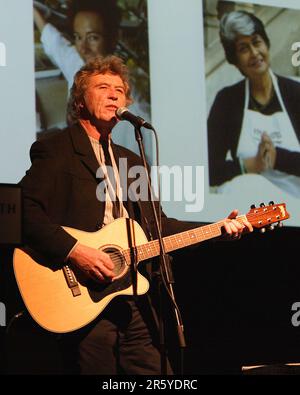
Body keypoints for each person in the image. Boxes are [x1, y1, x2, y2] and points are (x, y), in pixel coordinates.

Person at [20, 55, 252, 375]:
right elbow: (24, 212)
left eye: (120, 90)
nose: (114, 95)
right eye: (103, 87)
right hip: (82, 298)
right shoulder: (56, 149)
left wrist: (217, 228)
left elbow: (159, 226)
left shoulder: (132, 161)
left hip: (132, 301)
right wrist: (76, 252)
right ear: (79, 102)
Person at [34, 0, 150, 155]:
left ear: (114, 37)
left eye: (93, 38)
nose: (83, 48)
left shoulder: (130, 106)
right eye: (78, 37)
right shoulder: (80, 66)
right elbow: (57, 45)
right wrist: (33, 11)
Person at [207, 11, 300, 198]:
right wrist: (249, 164)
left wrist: (277, 158)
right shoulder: (227, 101)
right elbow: (209, 170)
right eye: (243, 48)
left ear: (266, 44)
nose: (254, 53)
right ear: (235, 61)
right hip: (251, 207)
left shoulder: (295, 93)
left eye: (257, 42)